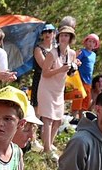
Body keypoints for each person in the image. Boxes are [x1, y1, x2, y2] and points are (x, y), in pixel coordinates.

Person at [33, 23, 78, 158]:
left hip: (59, 89)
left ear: (71, 38)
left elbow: (70, 74)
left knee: (58, 120)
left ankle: (49, 144)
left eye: (67, 36)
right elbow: (45, 73)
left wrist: (73, 69)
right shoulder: (52, 53)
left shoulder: (72, 53)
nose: (64, 38)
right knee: (47, 119)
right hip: (46, 88)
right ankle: (47, 150)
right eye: (62, 35)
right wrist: (60, 69)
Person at [70, 33, 99, 120]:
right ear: (85, 42)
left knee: (86, 99)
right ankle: (73, 118)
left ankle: (81, 119)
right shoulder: (83, 52)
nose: (91, 43)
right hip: (80, 80)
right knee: (78, 99)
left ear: (95, 45)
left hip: (88, 80)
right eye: (89, 41)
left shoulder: (93, 55)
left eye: (93, 42)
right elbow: (75, 60)